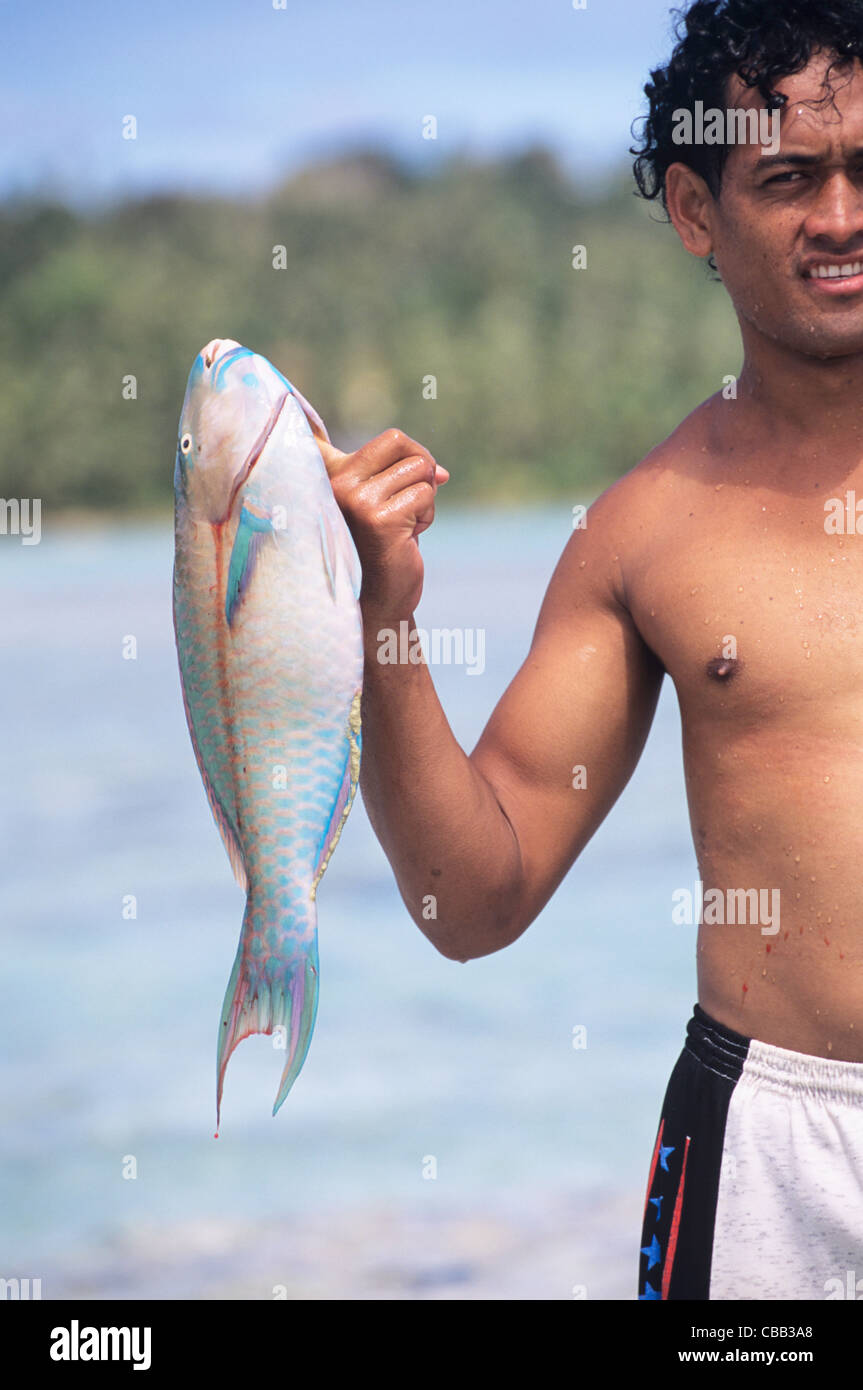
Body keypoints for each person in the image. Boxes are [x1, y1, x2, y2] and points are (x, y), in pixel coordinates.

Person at [317, 0, 863, 1300]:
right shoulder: (647, 534)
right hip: (772, 1152)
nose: (843, 217)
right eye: (789, 179)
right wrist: (383, 614)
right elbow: (473, 897)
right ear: (694, 210)